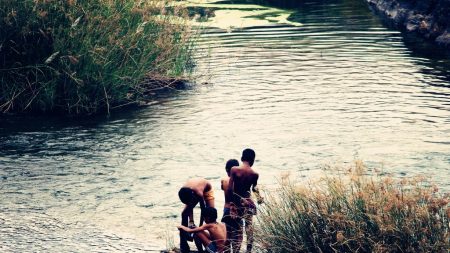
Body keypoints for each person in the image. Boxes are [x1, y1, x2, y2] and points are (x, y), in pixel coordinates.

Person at [227, 148, 261, 253]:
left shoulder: (234, 170)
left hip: (237, 203)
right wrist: (259, 198)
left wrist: (231, 204)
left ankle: (236, 250)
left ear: (242, 158)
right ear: (253, 160)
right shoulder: (255, 174)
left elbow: (230, 189)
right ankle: (249, 250)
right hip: (248, 203)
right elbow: (254, 189)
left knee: (237, 228)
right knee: (249, 227)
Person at [178, 178, 215, 253]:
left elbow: (203, 211)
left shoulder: (199, 193)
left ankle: (213, 244)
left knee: (211, 218)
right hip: (193, 192)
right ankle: (183, 243)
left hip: (206, 190)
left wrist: (200, 228)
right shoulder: (184, 191)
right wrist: (191, 222)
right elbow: (190, 205)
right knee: (184, 213)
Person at [221, 159, 243, 253]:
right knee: (238, 236)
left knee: (228, 236)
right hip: (236, 210)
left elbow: (223, 189)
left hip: (226, 209)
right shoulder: (240, 181)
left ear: (226, 169)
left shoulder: (223, 180)